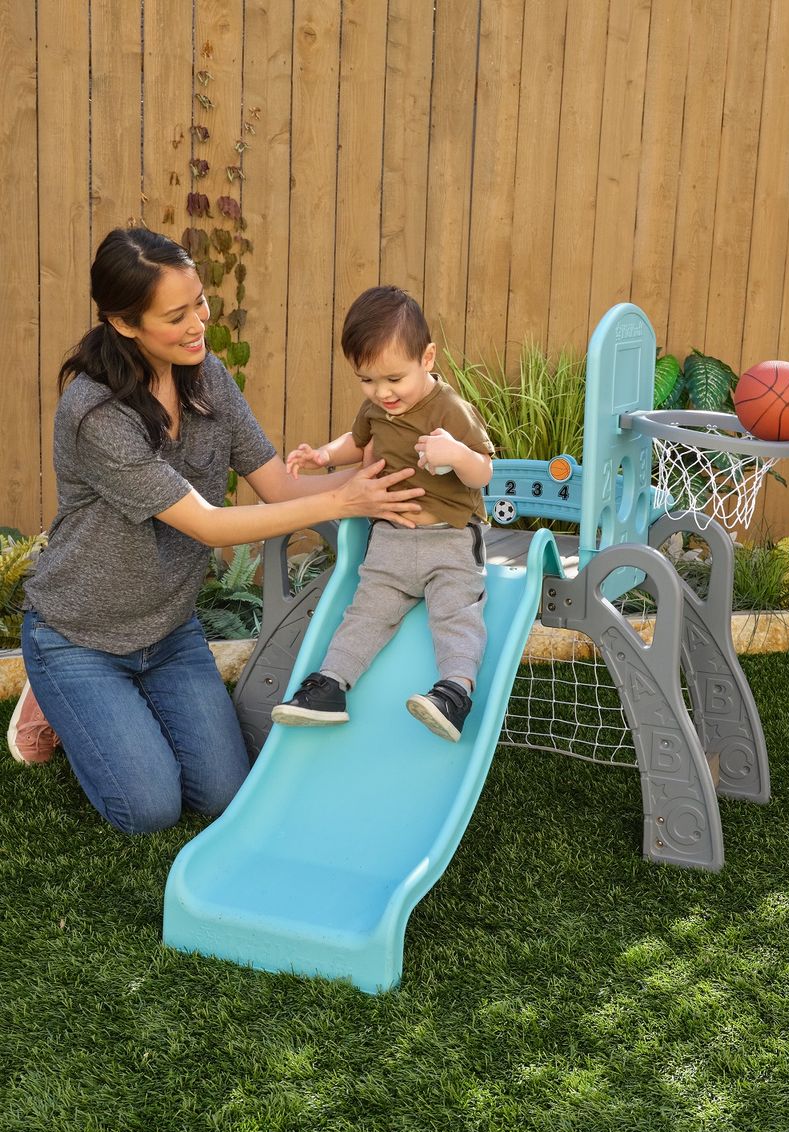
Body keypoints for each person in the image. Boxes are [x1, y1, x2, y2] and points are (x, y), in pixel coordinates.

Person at [11, 227, 425, 834]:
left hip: (171, 631)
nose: (198, 323)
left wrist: (378, 480)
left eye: (199, 302)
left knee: (224, 794)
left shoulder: (208, 379)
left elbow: (280, 487)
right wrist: (341, 498)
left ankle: (120, 711)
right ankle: (59, 697)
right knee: (148, 811)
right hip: (81, 636)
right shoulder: (93, 413)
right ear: (126, 324)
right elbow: (207, 525)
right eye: (175, 316)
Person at [270, 286, 494, 742]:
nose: (382, 392)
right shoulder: (376, 407)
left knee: (456, 614)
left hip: (448, 539)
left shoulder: (449, 408)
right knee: (365, 614)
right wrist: (323, 456)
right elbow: (356, 442)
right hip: (391, 539)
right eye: (368, 380)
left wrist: (454, 452)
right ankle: (330, 685)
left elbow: (483, 472)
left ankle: (454, 692)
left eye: (394, 378)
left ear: (427, 358)